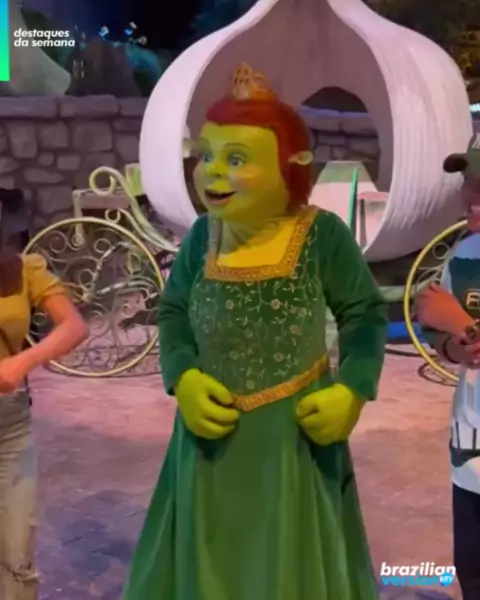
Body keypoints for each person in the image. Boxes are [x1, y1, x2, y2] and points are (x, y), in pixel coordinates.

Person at [124, 63, 387, 600]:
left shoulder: (322, 236)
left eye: (237, 159)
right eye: (208, 155)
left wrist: (353, 390)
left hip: (292, 446)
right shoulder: (202, 237)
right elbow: (173, 313)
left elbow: (364, 314)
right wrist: (183, 377)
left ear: (292, 166)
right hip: (207, 448)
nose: (212, 172)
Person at [0, 240, 88, 599]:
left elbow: (73, 326)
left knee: (17, 554)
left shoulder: (23, 268)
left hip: (9, 424)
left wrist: (24, 360)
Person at [416, 136, 480, 600]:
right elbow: (442, 338)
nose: (471, 194)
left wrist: (463, 327)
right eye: (469, 182)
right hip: (471, 448)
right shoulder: (463, 256)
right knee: (472, 571)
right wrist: (456, 344)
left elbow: (455, 323)